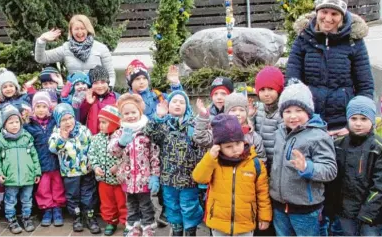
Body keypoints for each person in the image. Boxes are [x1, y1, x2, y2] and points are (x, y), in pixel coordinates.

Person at [286, 0, 374, 134]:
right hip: (309, 120)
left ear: (342, 15)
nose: (328, 18)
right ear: (317, 11)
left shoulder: (354, 41)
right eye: (324, 12)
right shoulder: (303, 38)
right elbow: (292, 82)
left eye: (334, 14)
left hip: (342, 122)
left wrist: (351, 125)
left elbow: (365, 87)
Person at [269, 82, 337, 236]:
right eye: (287, 111)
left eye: (298, 110)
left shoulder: (318, 136)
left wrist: (307, 167)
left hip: (305, 209)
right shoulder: (279, 132)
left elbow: (330, 170)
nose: (293, 116)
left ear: (308, 112)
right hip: (280, 206)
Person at [192, 114, 271, 236]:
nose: (235, 149)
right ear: (219, 147)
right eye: (228, 147)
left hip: (245, 224)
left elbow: (262, 193)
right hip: (219, 224)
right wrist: (209, 158)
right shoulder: (214, 162)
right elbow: (199, 178)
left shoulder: (254, 162)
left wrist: (264, 217)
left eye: (238, 143)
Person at [323, 96, 382, 236]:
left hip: (370, 216)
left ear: (372, 121)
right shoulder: (338, 144)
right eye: (354, 119)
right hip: (343, 211)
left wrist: (367, 213)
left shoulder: (380, 148)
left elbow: (381, 185)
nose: (358, 124)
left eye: (363, 119)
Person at [146, 90, 210, 236]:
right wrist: (158, 117)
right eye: (174, 101)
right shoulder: (163, 124)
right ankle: (176, 230)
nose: (178, 104)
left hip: (189, 179)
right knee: (172, 206)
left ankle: (190, 231)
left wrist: (201, 178)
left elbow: (201, 150)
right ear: (168, 105)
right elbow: (150, 134)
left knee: (190, 206)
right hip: (168, 178)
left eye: (182, 102)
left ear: (186, 106)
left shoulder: (193, 124)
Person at [110, 93, 159, 237]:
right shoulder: (119, 132)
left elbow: (154, 154)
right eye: (126, 113)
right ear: (121, 115)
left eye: (133, 112)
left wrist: (155, 175)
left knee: (145, 204)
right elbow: (113, 151)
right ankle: (133, 228)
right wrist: (121, 143)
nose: (130, 115)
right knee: (131, 205)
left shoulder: (146, 131)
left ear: (140, 112)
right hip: (128, 178)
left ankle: (148, 227)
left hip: (144, 178)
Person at [0, 104, 41, 234]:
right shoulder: (1, 141)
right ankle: (12, 220)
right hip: (10, 178)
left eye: (17, 122)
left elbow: (34, 156)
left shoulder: (27, 137)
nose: (14, 125)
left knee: (27, 200)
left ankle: (26, 218)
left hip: (28, 176)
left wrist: (37, 172)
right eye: (11, 122)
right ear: (4, 124)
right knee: (10, 200)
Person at [48, 103, 95, 233]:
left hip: (87, 170)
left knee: (88, 195)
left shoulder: (83, 130)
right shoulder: (57, 133)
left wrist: (92, 162)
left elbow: (92, 147)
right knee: (73, 196)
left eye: (70, 118)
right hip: (70, 173)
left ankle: (90, 217)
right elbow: (52, 149)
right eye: (63, 120)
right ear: (58, 121)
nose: (68, 122)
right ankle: (77, 217)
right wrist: (62, 139)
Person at [35, 15, 115, 87]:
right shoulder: (66, 48)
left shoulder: (101, 48)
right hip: (74, 95)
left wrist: (108, 90)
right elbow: (41, 58)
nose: (80, 32)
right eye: (76, 29)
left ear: (88, 29)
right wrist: (41, 40)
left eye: (83, 28)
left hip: (96, 92)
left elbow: (110, 75)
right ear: (71, 31)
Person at [24, 91, 65, 228]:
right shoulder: (29, 125)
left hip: (56, 162)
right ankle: (47, 209)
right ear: (33, 109)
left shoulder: (54, 122)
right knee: (43, 188)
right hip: (41, 163)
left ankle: (57, 208)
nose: (41, 110)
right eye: (38, 107)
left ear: (49, 108)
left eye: (44, 107)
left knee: (58, 186)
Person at [88, 105, 125, 236]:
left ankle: (127, 222)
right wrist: (96, 166)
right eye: (100, 122)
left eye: (104, 122)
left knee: (123, 202)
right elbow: (92, 154)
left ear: (115, 122)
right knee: (107, 203)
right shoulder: (97, 138)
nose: (100, 125)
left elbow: (127, 155)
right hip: (103, 179)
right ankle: (111, 221)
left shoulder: (121, 138)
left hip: (120, 180)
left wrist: (119, 166)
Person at [252, 66, 284, 173]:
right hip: (259, 160)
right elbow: (250, 132)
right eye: (262, 90)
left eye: (271, 89)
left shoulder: (283, 112)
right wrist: (250, 117)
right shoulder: (257, 108)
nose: (266, 94)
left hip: (277, 162)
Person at [224, 93, 265, 162]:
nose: (237, 113)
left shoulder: (253, 136)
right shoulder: (222, 133)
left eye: (241, 110)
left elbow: (261, 159)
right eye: (233, 110)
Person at [80, 65, 118, 134]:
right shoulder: (88, 98)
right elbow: (80, 119)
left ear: (108, 82)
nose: (100, 86)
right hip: (92, 138)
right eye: (95, 83)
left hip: (110, 139)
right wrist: (88, 103)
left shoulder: (115, 98)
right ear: (91, 85)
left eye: (103, 82)